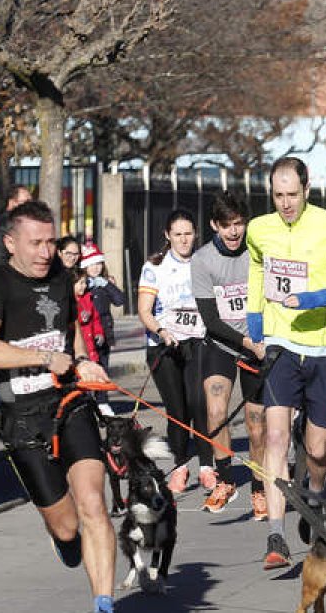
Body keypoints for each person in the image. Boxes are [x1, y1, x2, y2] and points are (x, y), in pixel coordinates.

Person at [0, 200, 115, 613]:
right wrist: (41, 359)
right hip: (23, 419)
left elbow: (72, 341)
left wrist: (87, 364)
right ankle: (63, 539)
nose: (45, 252)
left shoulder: (61, 279)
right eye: (35, 243)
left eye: (50, 241)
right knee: (68, 527)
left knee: (93, 502)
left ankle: (103, 603)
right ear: (11, 243)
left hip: (69, 403)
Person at [245, 157, 326, 570]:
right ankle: (276, 536)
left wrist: (317, 297)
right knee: (276, 436)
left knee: (318, 449)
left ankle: (312, 494)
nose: (285, 204)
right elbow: (256, 267)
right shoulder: (259, 229)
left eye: (292, 195)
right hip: (282, 345)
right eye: (278, 196)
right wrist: (254, 321)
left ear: (307, 188)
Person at [191, 191, 268, 516]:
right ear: (214, 225)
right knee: (215, 411)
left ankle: (260, 488)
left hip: (257, 345)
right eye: (227, 226)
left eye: (239, 224)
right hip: (223, 342)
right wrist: (245, 342)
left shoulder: (257, 251)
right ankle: (225, 480)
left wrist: (260, 341)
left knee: (256, 425)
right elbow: (210, 320)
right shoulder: (203, 260)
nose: (234, 232)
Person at [137, 209, 210, 494]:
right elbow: (144, 310)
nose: (183, 240)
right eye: (177, 234)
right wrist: (161, 331)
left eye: (188, 234)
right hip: (164, 346)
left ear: (195, 234)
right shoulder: (154, 266)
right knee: (177, 411)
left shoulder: (203, 263)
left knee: (199, 404)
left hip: (196, 341)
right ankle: (180, 466)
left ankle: (207, 467)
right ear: (168, 235)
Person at [80, 244, 124, 372]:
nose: (95, 267)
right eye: (91, 264)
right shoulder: (81, 285)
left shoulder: (105, 283)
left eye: (98, 263)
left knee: (103, 369)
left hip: (104, 331)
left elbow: (119, 301)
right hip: (87, 333)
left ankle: (102, 393)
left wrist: (107, 285)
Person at [0, 184, 31, 268]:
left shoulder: (17, 221)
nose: (29, 206)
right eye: (26, 202)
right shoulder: (3, 224)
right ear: (12, 202)